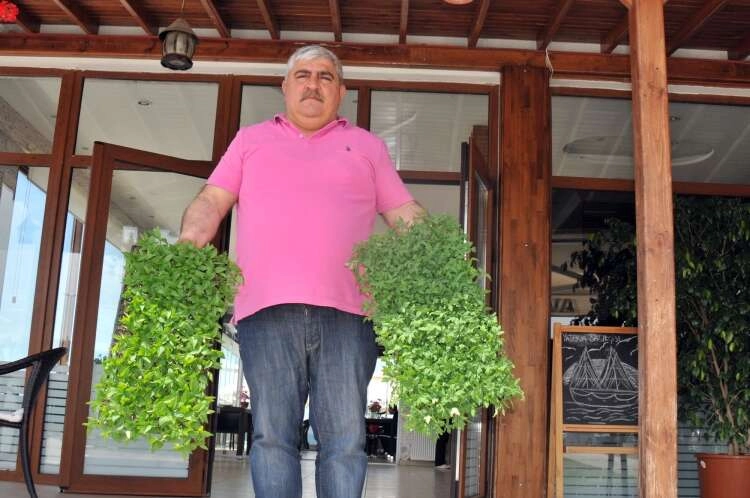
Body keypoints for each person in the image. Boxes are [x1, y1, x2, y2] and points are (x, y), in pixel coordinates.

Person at [178, 44, 425, 498]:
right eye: (303, 75)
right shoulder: (250, 141)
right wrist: (187, 244)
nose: (313, 84)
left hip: (349, 316)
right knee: (272, 438)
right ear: (285, 87)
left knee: (345, 442)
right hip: (265, 313)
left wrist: (442, 255)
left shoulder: (367, 147)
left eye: (325, 76)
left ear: (341, 91)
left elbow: (404, 213)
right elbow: (212, 200)